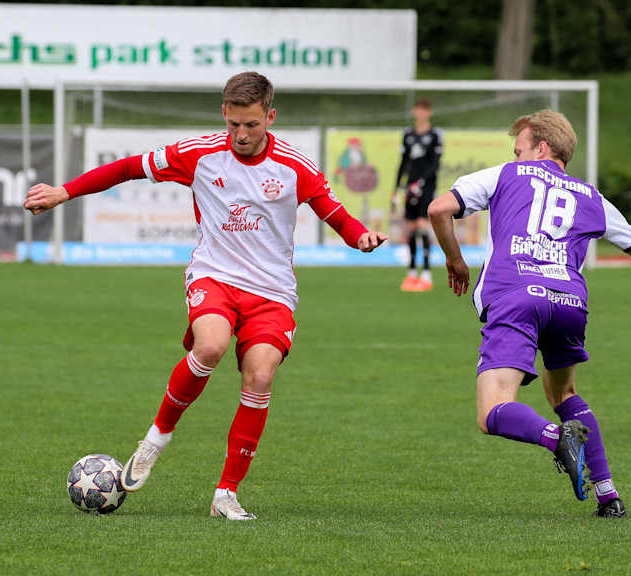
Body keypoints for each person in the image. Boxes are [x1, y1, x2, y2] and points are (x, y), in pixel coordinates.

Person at [24, 72, 387, 520]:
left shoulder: (295, 166)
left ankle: (225, 495)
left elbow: (337, 215)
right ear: (224, 114)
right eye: (234, 124)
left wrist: (362, 238)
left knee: (259, 378)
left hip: (272, 292)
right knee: (210, 345)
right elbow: (127, 168)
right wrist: (65, 191)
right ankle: (156, 439)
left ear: (270, 117)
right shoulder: (200, 153)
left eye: (252, 125)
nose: (241, 135)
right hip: (214, 276)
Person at [428, 110, 631, 518]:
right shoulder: (591, 197)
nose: (514, 156)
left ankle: (557, 438)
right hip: (570, 302)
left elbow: (437, 210)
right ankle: (609, 497)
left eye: (518, 149)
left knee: (492, 411)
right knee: (564, 394)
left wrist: (455, 260)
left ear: (540, 148)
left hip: (515, 296)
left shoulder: (506, 174)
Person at [393, 99, 443, 292]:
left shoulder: (435, 135)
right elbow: (403, 162)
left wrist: (421, 183)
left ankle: (427, 272)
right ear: (415, 112)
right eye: (418, 110)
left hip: (426, 188)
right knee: (412, 227)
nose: (420, 114)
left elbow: (435, 164)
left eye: (424, 110)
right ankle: (412, 271)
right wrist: (397, 187)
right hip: (409, 188)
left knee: (423, 226)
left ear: (428, 112)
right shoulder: (408, 135)